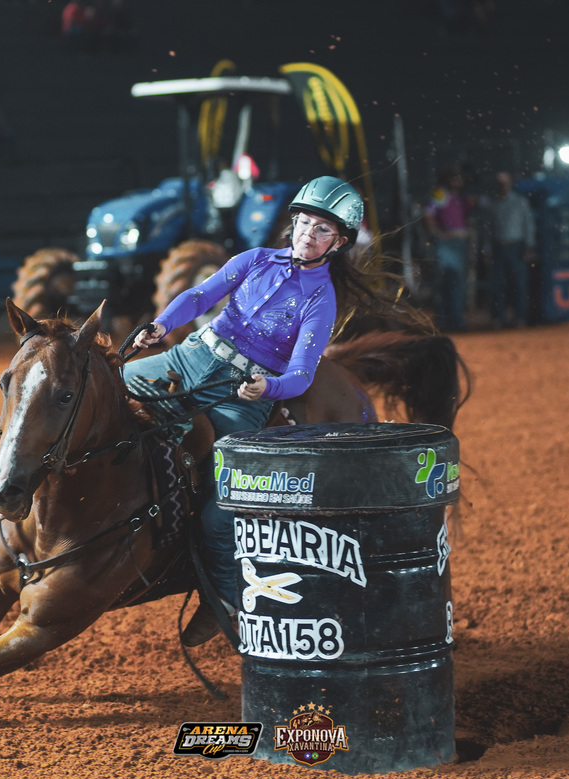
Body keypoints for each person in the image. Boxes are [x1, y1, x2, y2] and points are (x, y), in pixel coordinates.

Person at [123, 176, 421, 646]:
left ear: (340, 243)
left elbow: (301, 374)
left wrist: (268, 388)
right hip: (191, 356)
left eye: (322, 230)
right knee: (110, 387)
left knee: (224, 503)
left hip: (241, 396)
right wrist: (162, 324)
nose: (308, 234)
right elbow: (200, 297)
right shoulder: (256, 258)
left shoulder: (321, 300)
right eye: (304, 223)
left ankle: (224, 597)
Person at [424, 164, 475, 331]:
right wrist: (438, 233)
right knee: (447, 281)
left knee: (457, 283)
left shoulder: (462, 198)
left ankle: (455, 319)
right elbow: (428, 213)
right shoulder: (441, 194)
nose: (457, 181)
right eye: (454, 177)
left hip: (460, 242)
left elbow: (470, 216)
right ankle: (446, 320)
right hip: (447, 242)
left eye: (459, 178)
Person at [488, 171, 536, 328]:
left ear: (510, 184)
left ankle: (520, 317)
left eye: (505, 183)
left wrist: (529, 246)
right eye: (500, 183)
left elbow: (528, 224)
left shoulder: (520, 202)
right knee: (498, 285)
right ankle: (498, 318)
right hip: (498, 246)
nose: (503, 186)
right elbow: (488, 228)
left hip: (516, 246)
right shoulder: (493, 204)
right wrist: (487, 248)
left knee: (519, 284)